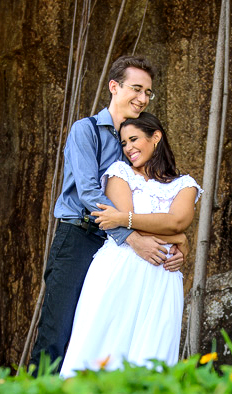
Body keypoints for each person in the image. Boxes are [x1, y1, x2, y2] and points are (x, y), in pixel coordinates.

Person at [29, 55, 185, 373]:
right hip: (79, 238)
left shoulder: (140, 142)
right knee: (57, 332)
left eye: (148, 93)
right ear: (114, 87)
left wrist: (178, 243)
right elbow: (88, 194)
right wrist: (132, 238)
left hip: (115, 253)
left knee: (97, 336)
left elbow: (155, 199)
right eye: (136, 89)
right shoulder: (86, 131)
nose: (142, 98)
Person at [59, 112, 201, 377]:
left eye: (134, 139)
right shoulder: (119, 173)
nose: (128, 148)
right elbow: (129, 227)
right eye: (124, 143)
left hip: (162, 278)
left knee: (152, 358)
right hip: (117, 271)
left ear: (155, 137)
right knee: (97, 350)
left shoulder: (185, 185)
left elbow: (176, 221)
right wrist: (176, 239)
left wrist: (178, 235)